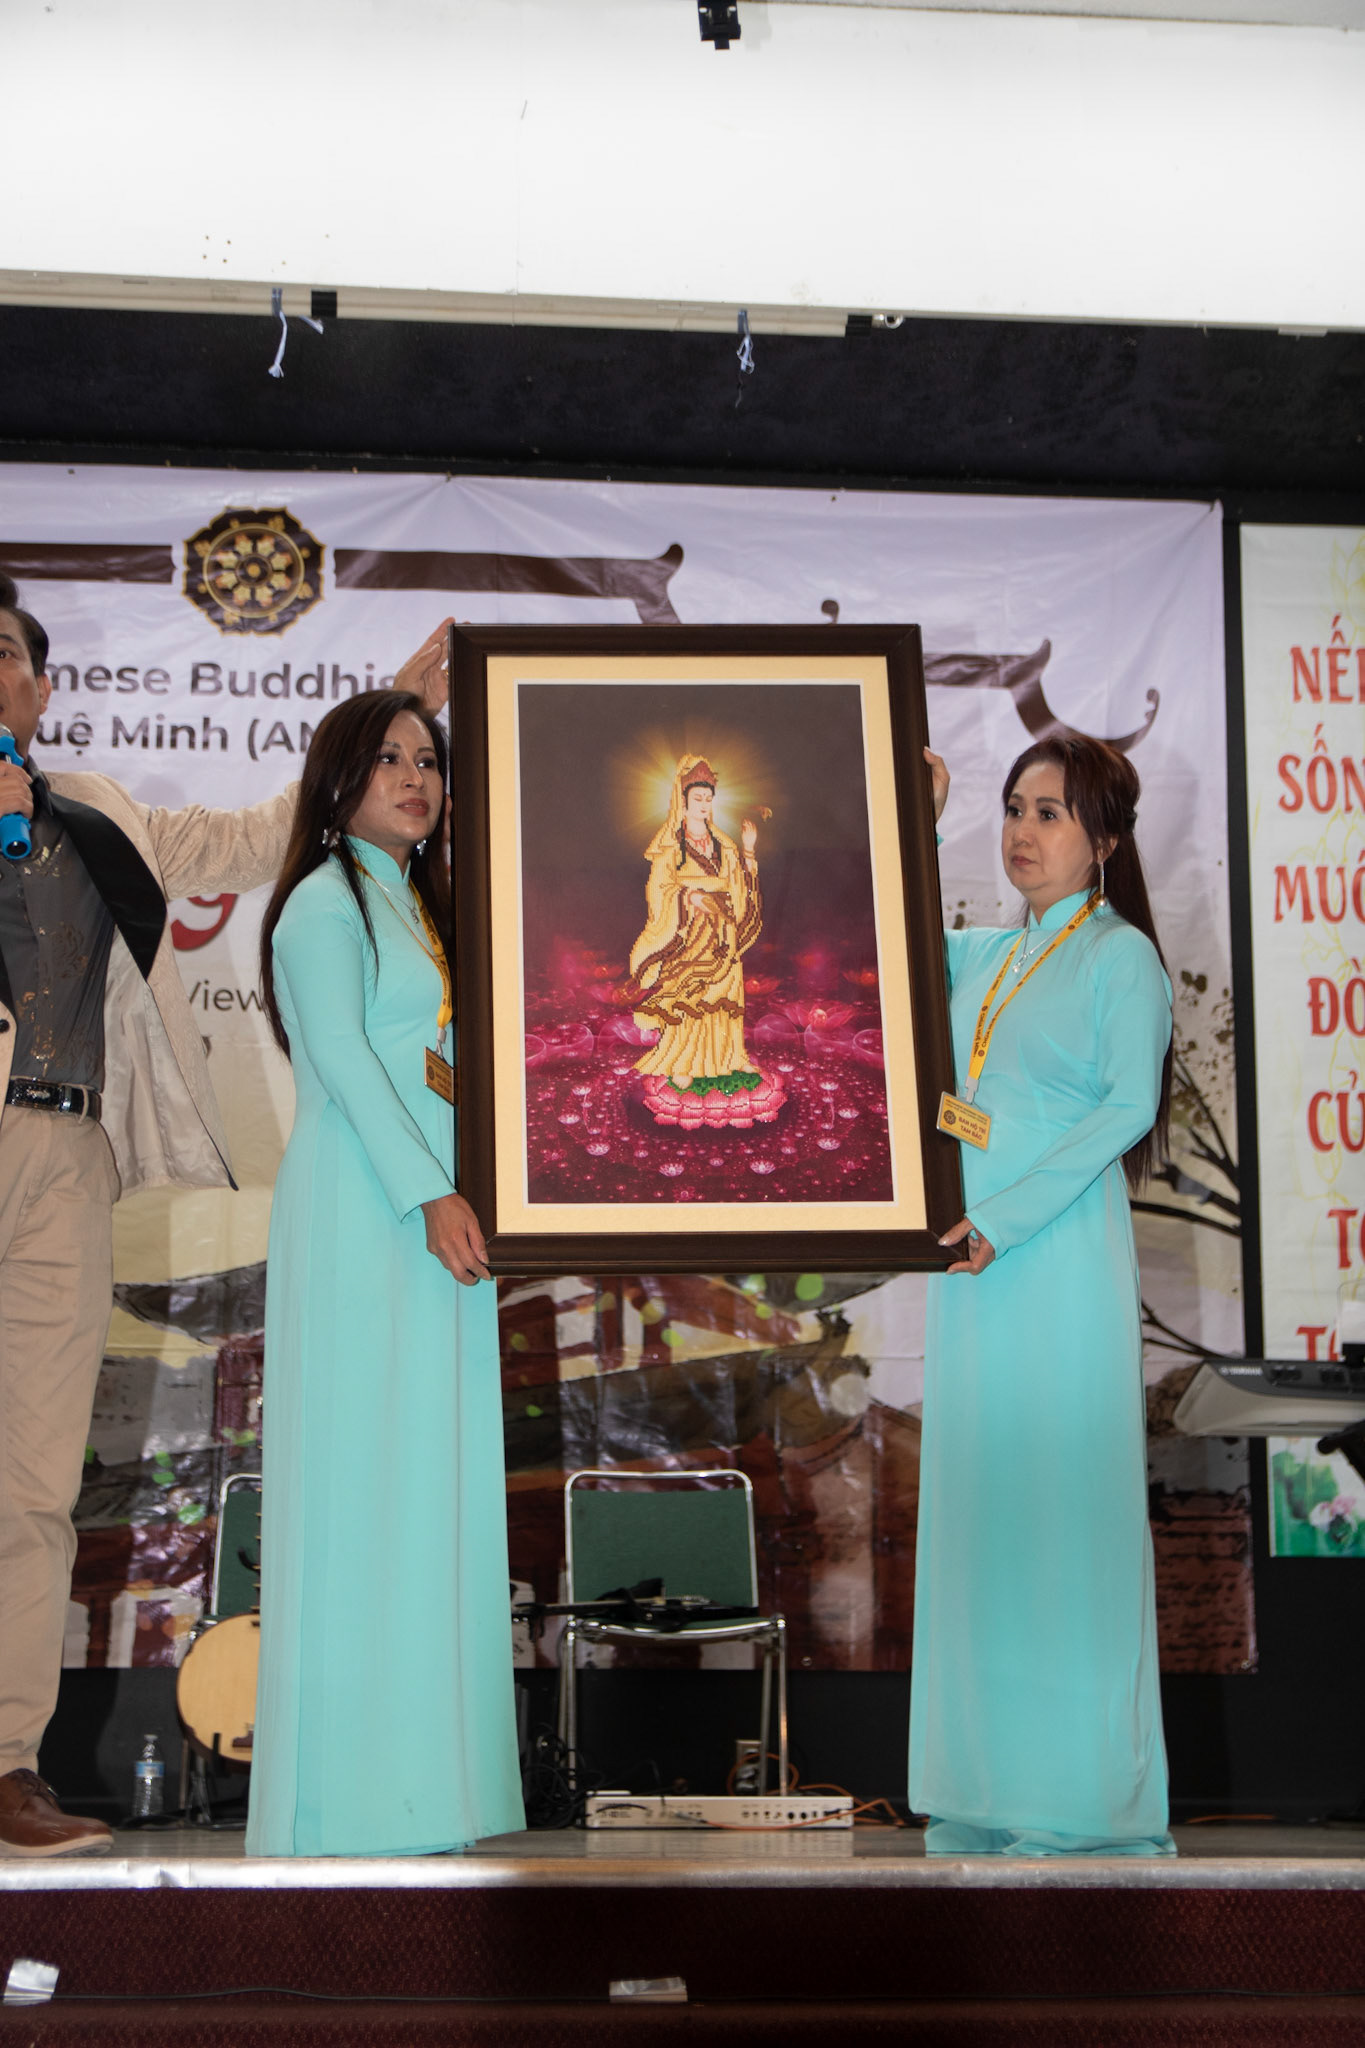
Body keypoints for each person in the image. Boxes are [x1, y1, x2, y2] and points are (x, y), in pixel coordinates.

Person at [0, 572, 300, 1856]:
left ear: (41, 688)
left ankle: (5, 1764)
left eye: (1, 650)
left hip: (68, 1154)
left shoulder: (101, 814)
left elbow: (257, 834)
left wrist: (386, 707)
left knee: (30, 1486)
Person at [245, 690, 523, 1857]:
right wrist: (429, 1193)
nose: (416, 776)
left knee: (428, 1487)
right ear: (339, 777)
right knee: (363, 1486)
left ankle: (431, 1789)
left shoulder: (426, 905)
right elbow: (349, 1064)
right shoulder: (324, 899)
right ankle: (347, 1800)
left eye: (429, 760)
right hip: (367, 1211)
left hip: (435, 1215)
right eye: (390, 758)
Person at [909, 732, 1175, 1857]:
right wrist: (918, 823)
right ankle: (983, 1792)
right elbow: (896, 954)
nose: (1022, 830)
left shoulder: (1120, 958)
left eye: (1050, 812)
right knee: (985, 1521)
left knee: (1063, 1522)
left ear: (1102, 838)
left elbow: (1125, 1110)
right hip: (971, 1272)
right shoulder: (987, 953)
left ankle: (1079, 1803)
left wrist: (1004, 1221)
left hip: (1052, 1258)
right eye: (1015, 807)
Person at [626, 753, 783, 1129]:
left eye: (709, 799)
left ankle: (729, 1057)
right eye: (697, 798)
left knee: (725, 993)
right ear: (682, 801)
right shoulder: (670, 845)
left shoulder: (722, 843)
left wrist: (749, 849)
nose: (704, 805)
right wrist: (689, 897)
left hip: (722, 931)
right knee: (691, 994)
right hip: (688, 931)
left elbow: (738, 886)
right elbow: (660, 890)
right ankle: (684, 1062)